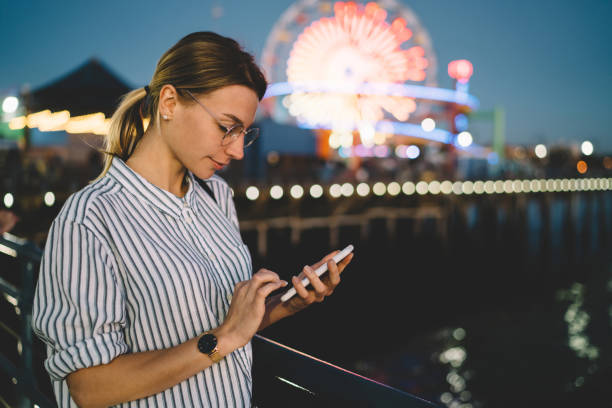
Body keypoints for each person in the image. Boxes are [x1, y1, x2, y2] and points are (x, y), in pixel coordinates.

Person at [32, 31, 353, 408]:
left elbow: (220, 323)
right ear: (169, 102)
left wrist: (287, 304)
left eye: (243, 134)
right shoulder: (90, 220)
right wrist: (224, 339)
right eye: (225, 127)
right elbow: (89, 387)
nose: (235, 150)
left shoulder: (217, 197)